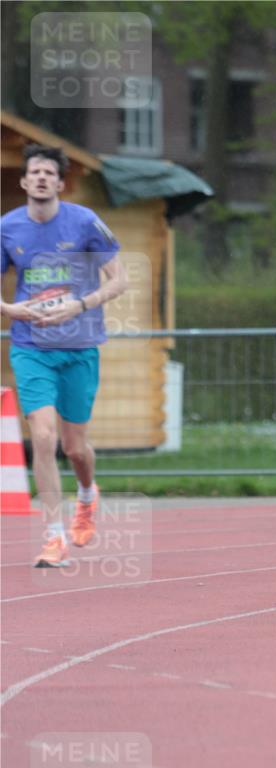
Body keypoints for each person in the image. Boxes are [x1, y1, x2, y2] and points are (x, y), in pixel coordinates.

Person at [0, 144, 128, 567]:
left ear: (59, 183)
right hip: (31, 348)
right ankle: (54, 537)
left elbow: (120, 280)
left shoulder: (85, 222)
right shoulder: (7, 228)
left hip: (79, 348)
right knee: (42, 437)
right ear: (24, 181)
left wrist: (80, 305)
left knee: (74, 448)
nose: (41, 178)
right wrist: (11, 310)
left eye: (48, 173)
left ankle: (87, 495)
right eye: (34, 172)